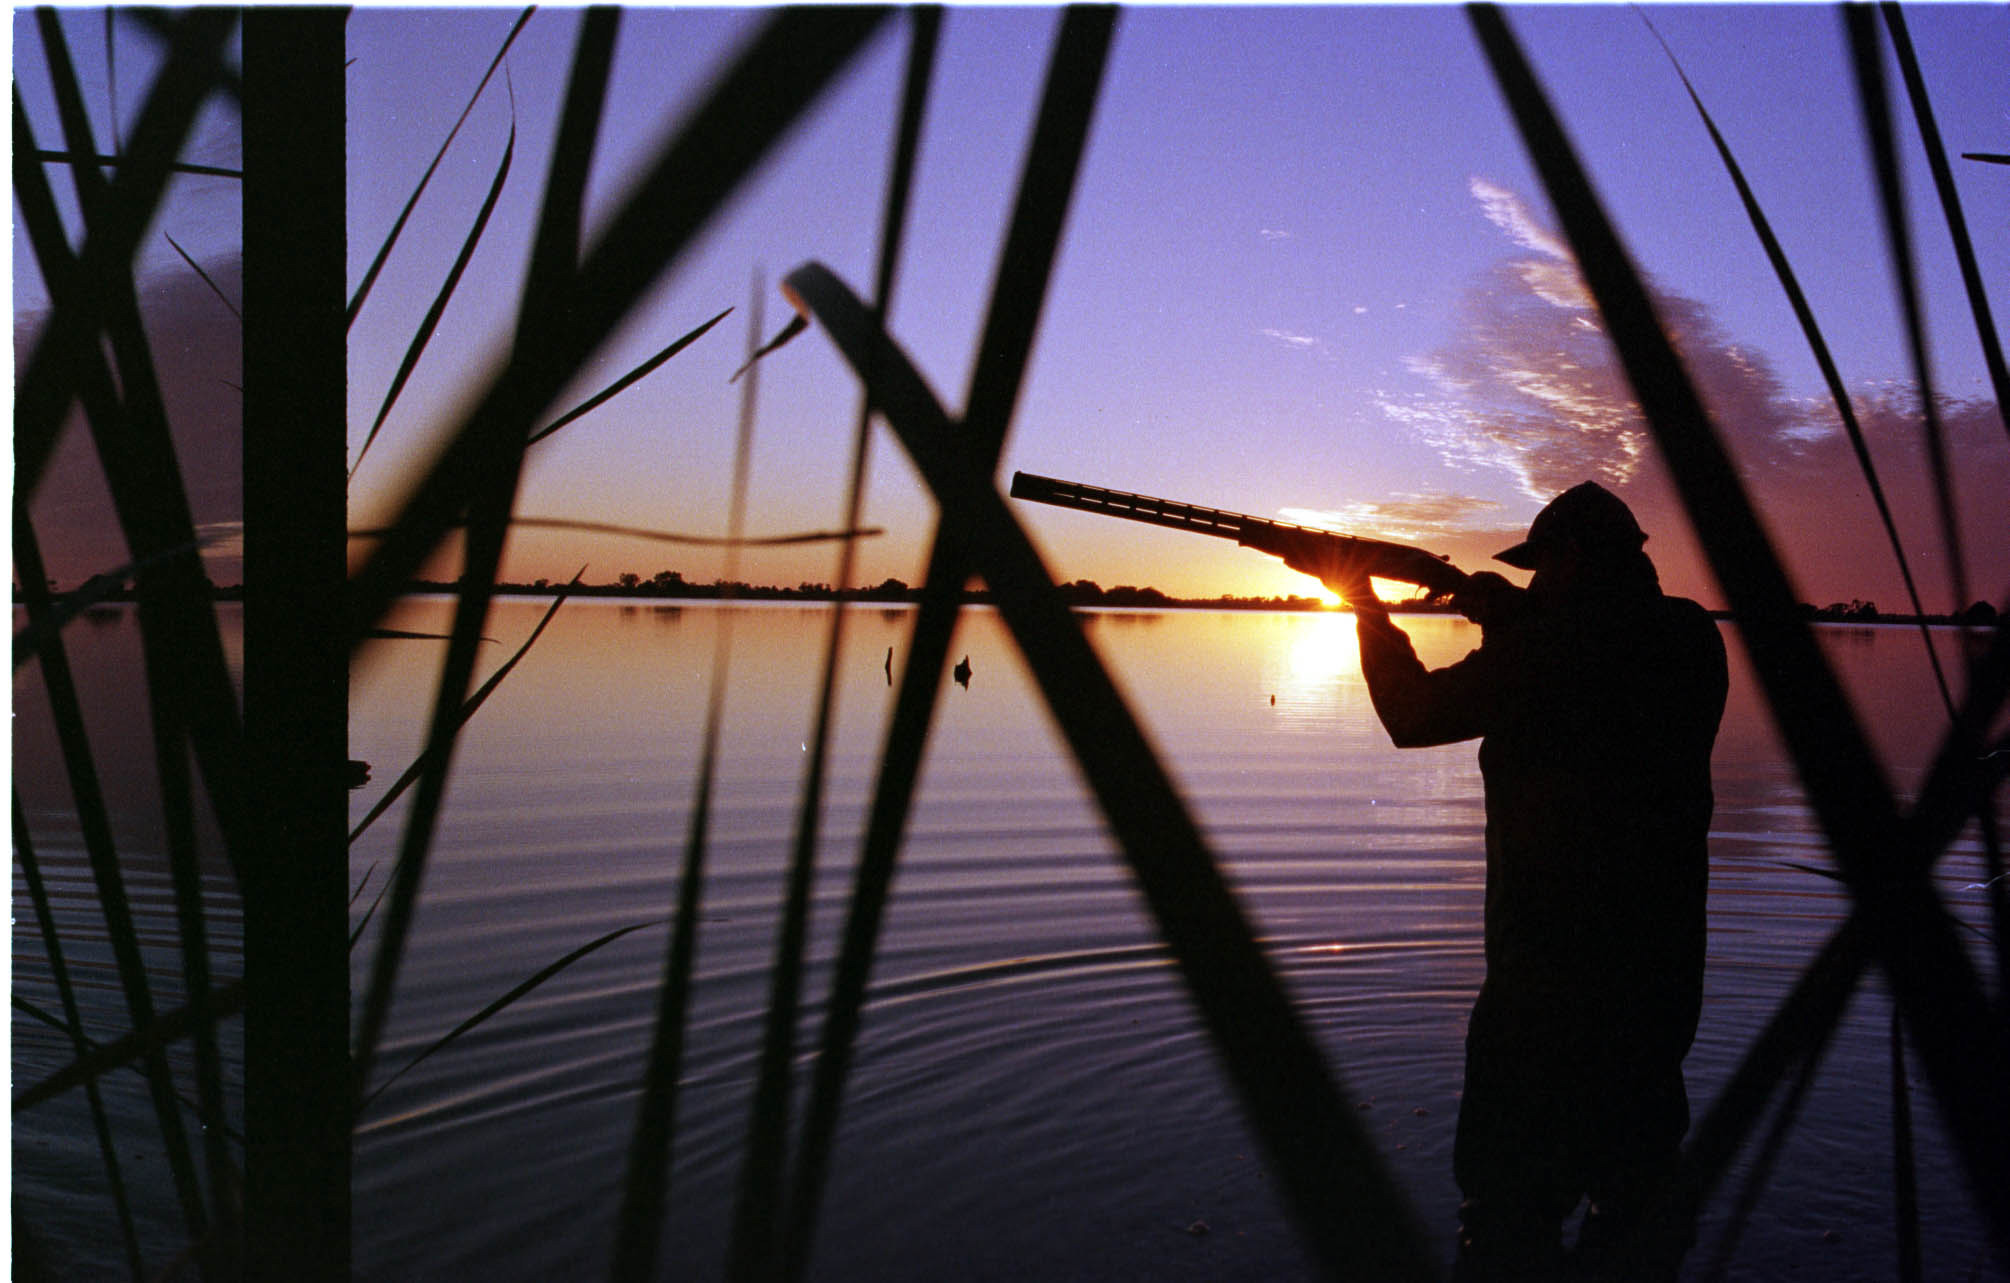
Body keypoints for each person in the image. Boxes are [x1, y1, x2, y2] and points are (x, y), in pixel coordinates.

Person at [1285, 481, 1728, 1282]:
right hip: (1659, 988)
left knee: (1505, 1220)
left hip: (1542, 1001)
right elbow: (1600, 659)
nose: (1532, 583)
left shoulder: (1545, 651)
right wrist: (1502, 612)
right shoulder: (1693, 638)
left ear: (1573, 559)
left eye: (1540, 568)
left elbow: (1412, 712)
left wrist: (1362, 599)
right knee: (1636, 1216)